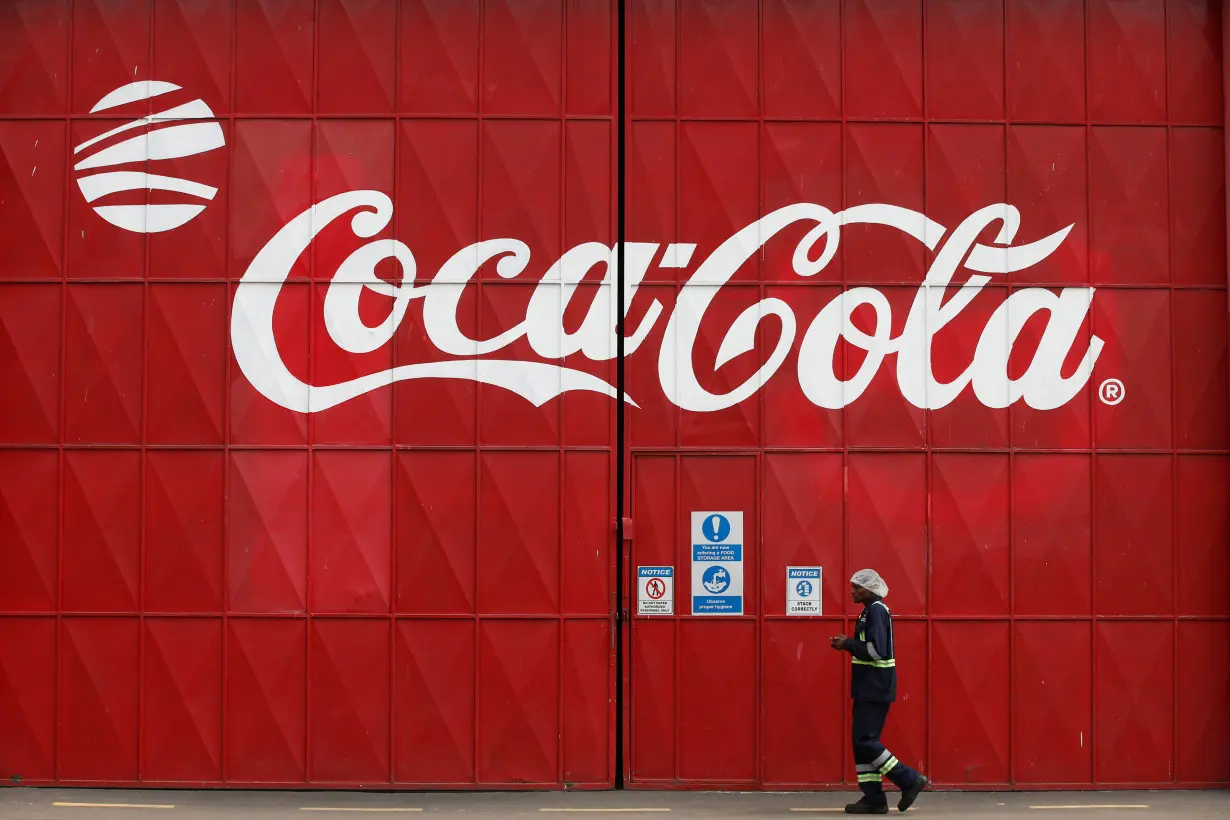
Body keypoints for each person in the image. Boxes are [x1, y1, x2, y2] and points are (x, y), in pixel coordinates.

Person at [829, 569, 927, 814]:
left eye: (857, 587)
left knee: (866, 740)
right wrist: (849, 644)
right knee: (860, 742)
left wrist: (848, 644)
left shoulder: (876, 611)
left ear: (870, 589)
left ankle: (909, 779)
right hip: (867, 687)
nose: (852, 591)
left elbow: (877, 650)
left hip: (875, 687)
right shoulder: (868, 610)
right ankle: (873, 798)